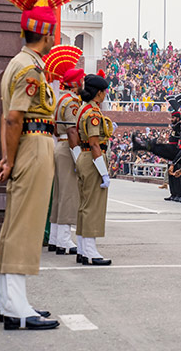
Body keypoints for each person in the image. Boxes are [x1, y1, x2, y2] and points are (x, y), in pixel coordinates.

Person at [0, 0, 74, 330]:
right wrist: (11, 158)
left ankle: (12, 301)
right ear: (48, 32)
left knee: (17, 224)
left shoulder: (21, 63)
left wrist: (8, 156)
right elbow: (14, 117)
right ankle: (15, 308)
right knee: (24, 227)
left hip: (26, 145)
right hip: (33, 145)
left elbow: (8, 120)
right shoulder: (30, 69)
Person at [43, 45, 84, 256]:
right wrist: (77, 155)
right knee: (68, 194)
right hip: (67, 146)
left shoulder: (61, 99)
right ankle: (65, 240)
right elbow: (72, 130)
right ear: (76, 83)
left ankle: (55, 238)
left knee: (59, 194)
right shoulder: (72, 102)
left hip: (58, 145)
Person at [76, 72, 114, 266]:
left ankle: (83, 248)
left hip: (84, 157)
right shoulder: (93, 114)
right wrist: (104, 172)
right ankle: (91, 251)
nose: (105, 94)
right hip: (93, 159)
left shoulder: (83, 110)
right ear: (99, 93)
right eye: (104, 91)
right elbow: (94, 143)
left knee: (84, 205)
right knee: (93, 206)